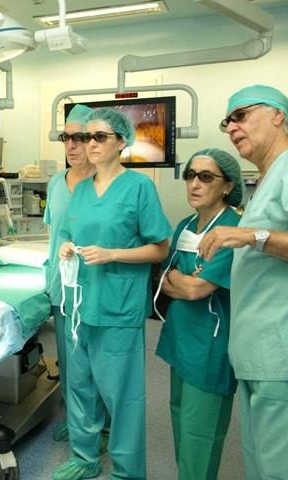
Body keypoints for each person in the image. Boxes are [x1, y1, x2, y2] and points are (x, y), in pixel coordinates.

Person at [198, 85, 288, 480]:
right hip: (258, 355)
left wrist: (253, 235)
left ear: (278, 115)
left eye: (241, 115)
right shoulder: (266, 179)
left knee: (286, 469)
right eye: (227, 122)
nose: (231, 127)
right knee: (264, 466)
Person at [54, 108, 172, 480]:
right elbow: (74, 234)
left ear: (122, 142)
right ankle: (84, 459)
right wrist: (67, 247)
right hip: (79, 306)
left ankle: (127, 470)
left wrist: (114, 254)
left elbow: (160, 248)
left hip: (118, 307)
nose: (89, 143)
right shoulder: (81, 190)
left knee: (122, 397)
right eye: (84, 137)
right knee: (80, 387)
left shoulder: (138, 187)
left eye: (99, 136)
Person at [154, 148, 244, 480]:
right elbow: (164, 279)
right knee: (180, 416)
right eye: (190, 175)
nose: (194, 184)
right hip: (181, 337)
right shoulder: (185, 226)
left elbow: (195, 290)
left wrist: (184, 281)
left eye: (205, 177)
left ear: (227, 185)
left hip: (210, 343)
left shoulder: (233, 228)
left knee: (201, 431)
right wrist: (183, 280)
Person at [44, 104, 98, 443]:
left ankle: (98, 424)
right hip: (61, 286)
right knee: (68, 359)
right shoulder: (56, 182)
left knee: (92, 363)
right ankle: (76, 419)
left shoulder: (105, 183)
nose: (72, 145)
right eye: (66, 138)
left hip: (92, 287)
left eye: (79, 137)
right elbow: (53, 234)